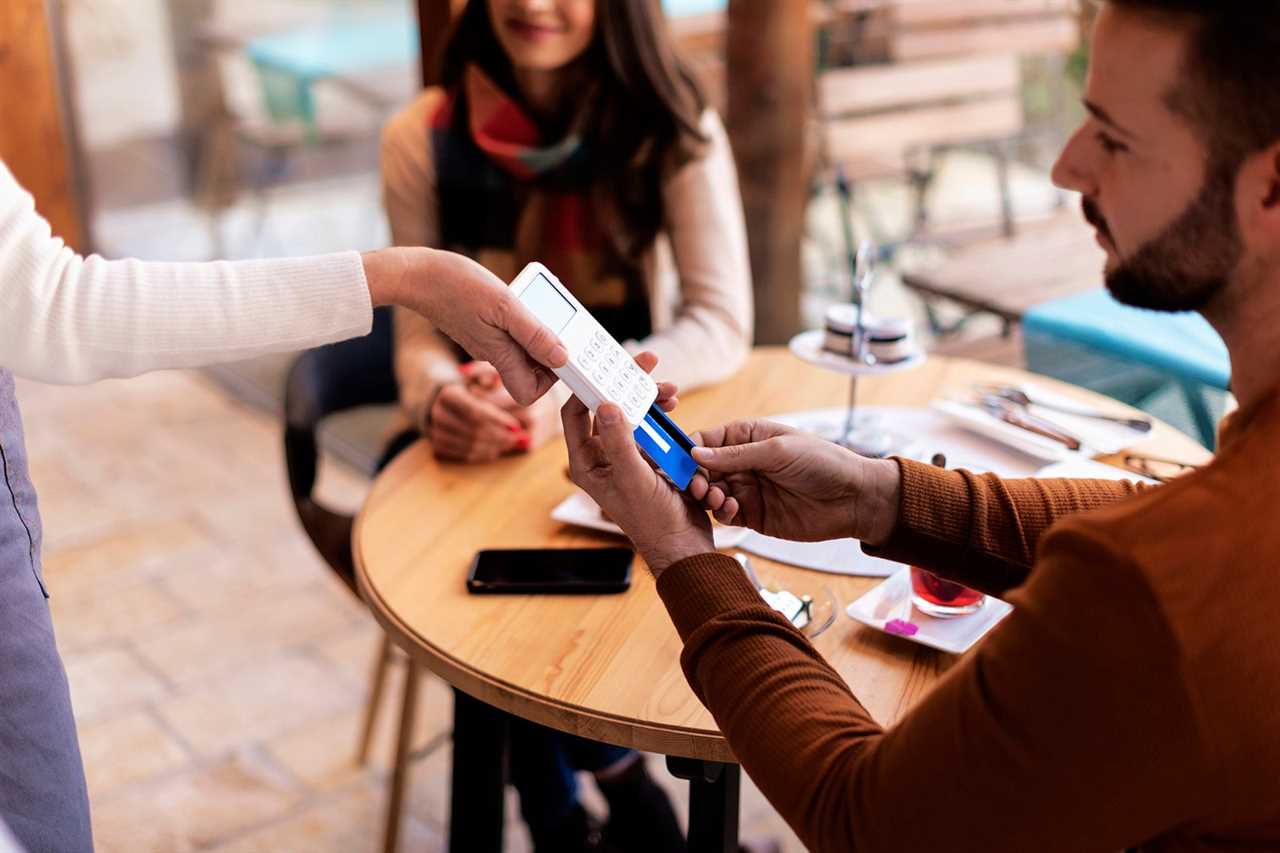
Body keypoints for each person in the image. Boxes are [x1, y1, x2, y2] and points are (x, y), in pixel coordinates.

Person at [563, 2, 1280, 850]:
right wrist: (881, 496)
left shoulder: (1154, 589)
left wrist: (684, 557)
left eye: (1112, 139)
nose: (1064, 167)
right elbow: (1163, 508)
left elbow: (869, 821)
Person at [0, 156, 568, 853]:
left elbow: (46, 301)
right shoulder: (422, 144)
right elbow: (55, 307)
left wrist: (408, 279)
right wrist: (406, 281)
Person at [380, 0, 751, 849]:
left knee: (503, 610)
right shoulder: (420, 136)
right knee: (470, 595)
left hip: (605, 440)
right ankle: (608, 800)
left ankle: (566, 811)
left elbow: (719, 322)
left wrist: (557, 400)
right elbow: (413, 343)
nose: (530, 4)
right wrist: (440, 398)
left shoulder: (673, 125)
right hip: (471, 456)